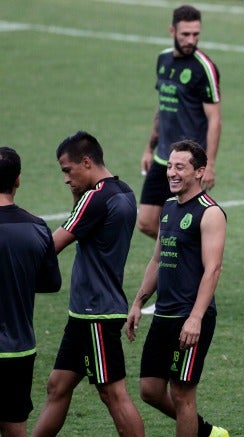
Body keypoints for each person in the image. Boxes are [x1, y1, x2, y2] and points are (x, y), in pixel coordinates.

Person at [33, 131, 144, 437]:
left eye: (68, 171)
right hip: (87, 312)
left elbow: (49, 247)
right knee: (57, 386)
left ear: (86, 162)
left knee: (113, 394)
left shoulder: (97, 198)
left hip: (96, 312)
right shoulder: (123, 192)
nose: (66, 179)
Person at [126, 140, 228, 437]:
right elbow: (158, 259)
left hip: (191, 315)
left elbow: (213, 269)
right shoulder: (169, 207)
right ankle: (206, 432)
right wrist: (138, 301)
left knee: (183, 394)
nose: (171, 172)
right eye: (170, 166)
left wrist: (195, 317)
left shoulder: (210, 213)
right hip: (165, 315)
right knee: (150, 389)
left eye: (180, 167)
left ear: (199, 172)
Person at [138, 4, 221, 316]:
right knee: (147, 222)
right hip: (163, 158)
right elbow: (162, 107)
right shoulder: (162, 60)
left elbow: (215, 120)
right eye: (185, 34)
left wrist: (209, 163)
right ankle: (186, 265)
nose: (191, 39)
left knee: (176, 228)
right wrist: (150, 146)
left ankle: (180, 285)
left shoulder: (204, 68)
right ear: (172, 31)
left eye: (196, 34)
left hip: (189, 162)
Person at [0, 147, 61, 437]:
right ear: (19, 180)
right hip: (18, 348)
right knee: (15, 429)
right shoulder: (37, 228)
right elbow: (51, 283)